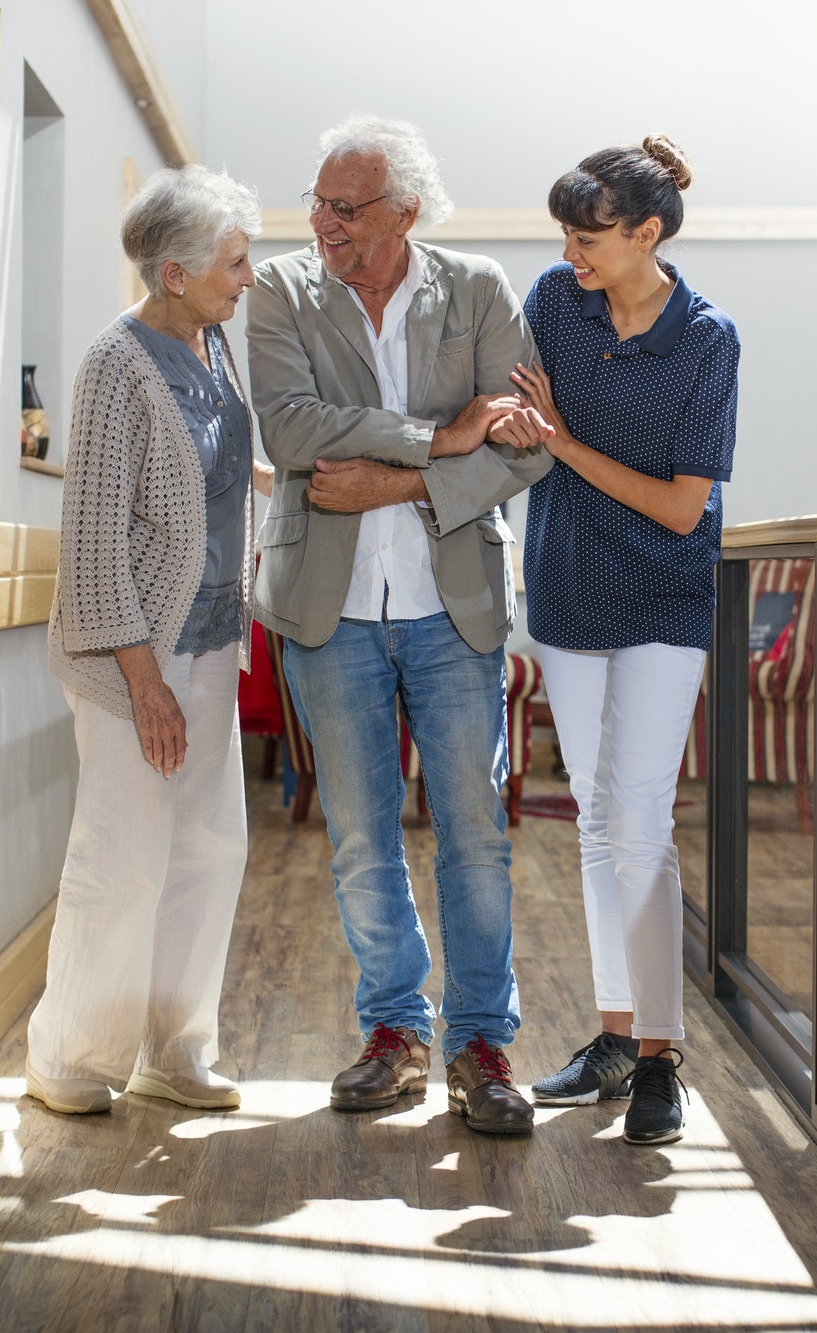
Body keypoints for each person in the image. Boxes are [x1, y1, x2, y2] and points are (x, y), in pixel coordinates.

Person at [248, 116, 554, 1136]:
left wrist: (393, 478)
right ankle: (392, 1031)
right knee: (359, 840)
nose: (322, 223)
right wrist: (444, 432)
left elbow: (525, 447)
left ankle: (479, 1042)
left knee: (474, 835)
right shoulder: (281, 291)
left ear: (404, 212)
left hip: (453, 606)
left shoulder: (475, 291)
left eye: (346, 207)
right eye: (318, 202)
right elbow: (288, 428)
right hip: (326, 612)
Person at [508, 136, 740, 1148]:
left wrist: (560, 441)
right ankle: (613, 1036)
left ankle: (660, 1054)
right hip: (566, 588)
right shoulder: (555, 304)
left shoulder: (706, 338)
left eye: (589, 234)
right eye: (564, 232)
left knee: (640, 813)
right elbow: (512, 411)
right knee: (598, 820)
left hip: (664, 595)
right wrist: (535, 435)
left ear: (647, 233)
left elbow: (682, 508)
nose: (570, 251)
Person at [29, 165, 272, 1116]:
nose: (248, 276)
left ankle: (174, 1048)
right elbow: (92, 543)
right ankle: (70, 1059)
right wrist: (146, 684)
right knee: (123, 855)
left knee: (209, 848)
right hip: (139, 653)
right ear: (173, 273)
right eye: (234, 260)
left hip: (211, 639)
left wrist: (268, 477)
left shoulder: (213, 348)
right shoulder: (115, 365)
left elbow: (197, 464)